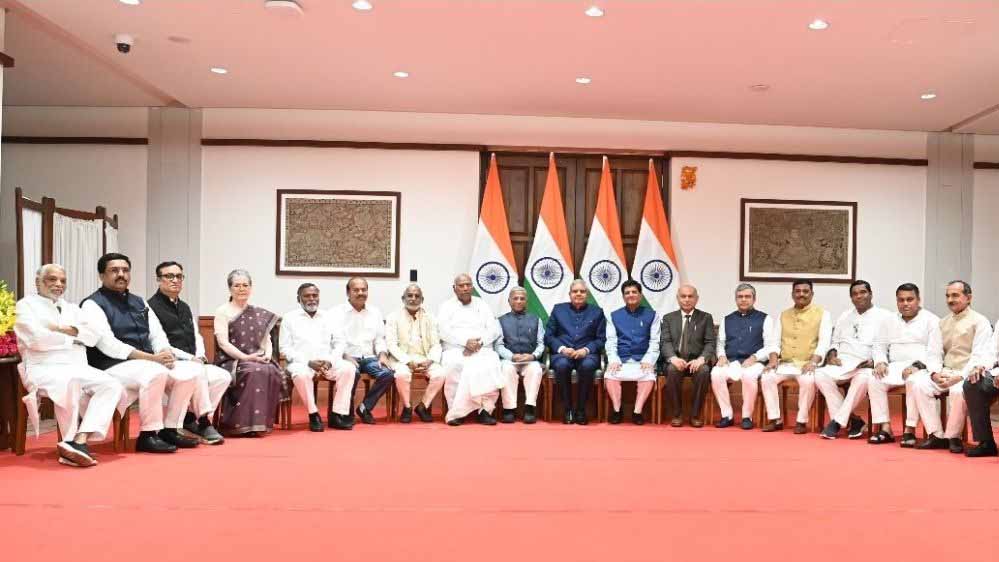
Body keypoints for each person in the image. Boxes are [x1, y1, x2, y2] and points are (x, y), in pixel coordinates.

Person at [81, 252, 197, 453]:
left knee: (188, 373)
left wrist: (164, 353)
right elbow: (108, 345)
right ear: (101, 275)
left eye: (125, 270)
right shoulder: (92, 304)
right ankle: (148, 434)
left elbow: (157, 334)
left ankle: (170, 429)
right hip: (110, 365)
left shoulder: (139, 302)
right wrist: (152, 359)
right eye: (114, 270)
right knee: (155, 372)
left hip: (145, 363)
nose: (121, 274)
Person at [14, 264, 124, 467]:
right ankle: (69, 444)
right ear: (38, 282)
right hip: (42, 367)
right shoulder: (25, 306)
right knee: (70, 382)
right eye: (52, 279)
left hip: (77, 365)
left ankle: (78, 440)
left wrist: (59, 330)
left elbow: (93, 336)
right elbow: (36, 340)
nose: (59, 284)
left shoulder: (72, 308)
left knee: (112, 384)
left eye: (63, 281)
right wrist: (73, 337)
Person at [147, 261, 229, 445]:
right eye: (169, 276)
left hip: (193, 361)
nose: (175, 280)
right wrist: (190, 358)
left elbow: (196, 335)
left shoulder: (185, 307)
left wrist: (199, 355)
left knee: (222, 376)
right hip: (171, 362)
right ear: (158, 279)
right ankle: (204, 422)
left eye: (179, 276)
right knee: (196, 371)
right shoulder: (150, 307)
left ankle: (190, 418)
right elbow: (160, 343)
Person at [910, 280, 992, 454]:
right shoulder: (942, 322)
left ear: (968, 298)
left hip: (967, 373)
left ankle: (953, 437)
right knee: (918, 384)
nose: (950, 300)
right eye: (947, 296)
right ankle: (936, 435)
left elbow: (979, 355)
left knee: (958, 391)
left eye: (955, 295)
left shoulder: (980, 321)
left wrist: (960, 376)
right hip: (945, 371)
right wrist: (934, 373)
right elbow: (933, 352)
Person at [817, 281, 893, 440]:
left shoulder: (885, 316)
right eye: (855, 294)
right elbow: (835, 341)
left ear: (871, 294)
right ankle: (853, 420)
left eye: (863, 292)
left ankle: (836, 423)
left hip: (866, 364)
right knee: (819, 375)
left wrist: (876, 361)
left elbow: (888, 346)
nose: (859, 296)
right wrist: (832, 355)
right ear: (851, 297)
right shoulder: (845, 316)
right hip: (843, 362)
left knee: (864, 378)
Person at [212, 269, 285, 436]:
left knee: (271, 370)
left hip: (256, 357)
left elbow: (267, 339)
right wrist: (245, 357)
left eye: (245, 285)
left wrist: (267, 355)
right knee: (253, 371)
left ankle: (259, 424)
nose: (241, 289)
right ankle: (237, 425)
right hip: (231, 360)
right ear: (230, 288)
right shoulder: (222, 311)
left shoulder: (257, 312)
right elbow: (223, 343)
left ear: (250, 288)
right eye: (237, 285)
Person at [866, 283, 939, 446]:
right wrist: (880, 362)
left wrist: (918, 366)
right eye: (901, 300)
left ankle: (909, 429)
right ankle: (885, 428)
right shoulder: (888, 320)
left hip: (920, 367)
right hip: (895, 365)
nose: (905, 303)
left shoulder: (932, 320)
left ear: (918, 300)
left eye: (910, 299)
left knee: (913, 380)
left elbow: (935, 351)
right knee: (874, 378)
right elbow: (879, 346)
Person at [279, 283, 355, 431]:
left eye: (315, 295)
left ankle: (337, 414)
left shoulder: (329, 317)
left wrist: (330, 361)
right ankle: (313, 414)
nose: (312, 299)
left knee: (348, 369)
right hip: (301, 362)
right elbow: (284, 348)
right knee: (300, 375)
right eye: (307, 296)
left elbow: (340, 342)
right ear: (299, 299)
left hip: (326, 362)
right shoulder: (289, 318)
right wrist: (308, 362)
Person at [760, 279, 832, 434]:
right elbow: (774, 342)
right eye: (797, 291)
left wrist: (813, 362)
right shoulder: (783, 315)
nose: (801, 294)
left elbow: (824, 343)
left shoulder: (823, 314)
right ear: (792, 294)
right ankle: (775, 419)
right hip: (785, 363)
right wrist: (773, 360)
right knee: (767, 377)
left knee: (808, 380)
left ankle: (801, 421)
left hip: (807, 363)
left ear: (812, 294)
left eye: (805, 291)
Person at [437, 273, 504, 426]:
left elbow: (493, 329)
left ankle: (485, 410)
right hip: (455, 348)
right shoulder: (446, 306)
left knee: (491, 362)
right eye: (461, 286)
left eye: (468, 285)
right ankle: (456, 412)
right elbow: (443, 331)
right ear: (454, 288)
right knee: (455, 364)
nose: (465, 288)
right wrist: (465, 343)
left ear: (472, 287)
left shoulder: (482, 304)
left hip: (481, 347)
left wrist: (479, 343)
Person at [329, 277, 395, 425]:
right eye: (356, 290)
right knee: (352, 373)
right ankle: (346, 412)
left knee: (388, 374)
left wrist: (382, 355)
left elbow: (379, 338)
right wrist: (344, 355)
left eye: (363, 290)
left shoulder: (375, 312)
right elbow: (332, 339)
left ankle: (365, 407)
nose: (360, 293)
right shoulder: (336, 313)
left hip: (369, 357)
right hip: (347, 357)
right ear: (348, 292)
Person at [710, 283, 775, 430]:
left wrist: (755, 357)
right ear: (736, 299)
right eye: (740, 297)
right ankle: (727, 415)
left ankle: (747, 416)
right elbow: (720, 343)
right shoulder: (727, 319)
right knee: (716, 374)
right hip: (731, 361)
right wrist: (721, 356)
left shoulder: (765, 319)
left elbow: (769, 346)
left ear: (754, 299)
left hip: (754, 362)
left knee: (749, 376)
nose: (743, 299)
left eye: (747, 296)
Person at [545, 279, 605, 425]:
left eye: (582, 291)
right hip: (562, 354)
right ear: (570, 294)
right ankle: (567, 410)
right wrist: (562, 349)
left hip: (587, 354)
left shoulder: (597, 312)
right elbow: (549, 336)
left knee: (587, 366)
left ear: (587, 294)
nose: (578, 294)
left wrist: (586, 350)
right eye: (575, 291)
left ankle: (581, 410)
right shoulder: (558, 310)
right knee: (562, 365)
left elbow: (601, 339)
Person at [385, 283, 446, 423]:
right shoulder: (393, 317)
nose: (413, 299)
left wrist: (430, 360)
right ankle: (407, 407)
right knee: (402, 374)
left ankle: (423, 406)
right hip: (401, 359)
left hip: (424, 358)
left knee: (440, 374)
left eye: (417, 296)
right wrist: (407, 361)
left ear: (422, 299)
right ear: (403, 298)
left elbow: (436, 343)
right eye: (410, 295)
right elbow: (391, 344)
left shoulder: (430, 318)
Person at [605, 280, 661, 425]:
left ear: (640, 295)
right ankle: (617, 410)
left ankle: (637, 411)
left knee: (648, 375)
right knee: (610, 375)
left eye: (634, 292)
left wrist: (648, 359)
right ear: (623, 296)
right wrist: (613, 359)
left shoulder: (652, 315)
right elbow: (611, 341)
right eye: (627, 293)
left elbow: (655, 341)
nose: (631, 295)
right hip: (621, 359)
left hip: (642, 359)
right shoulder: (614, 315)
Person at [661, 284, 716, 427]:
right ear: (678, 298)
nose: (686, 299)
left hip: (696, 361)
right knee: (672, 370)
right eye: (683, 296)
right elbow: (665, 342)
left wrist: (701, 359)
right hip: (676, 360)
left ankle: (695, 415)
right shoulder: (668, 318)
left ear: (696, 299)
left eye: (690, 296)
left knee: (703, 371)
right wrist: (673, 358)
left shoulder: (705, 318)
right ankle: (677, 414)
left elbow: (710, 343)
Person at [495, 287, 545, 424]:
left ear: (526, 301)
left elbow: (541, 343)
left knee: (535, 369)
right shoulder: (500, 320)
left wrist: (533, 356)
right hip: (510, 359)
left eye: (522, 298)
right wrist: (511, 356)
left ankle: (529, 408)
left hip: (529, 359)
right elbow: (498, 345)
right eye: (515, 298)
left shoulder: (536, 319)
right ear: (509, 301)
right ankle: (509, 409)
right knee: (506, 369)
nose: (518, 301)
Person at [963, 315, 999, 457]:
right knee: (973, 383)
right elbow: (992, 351)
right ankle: (986, 442)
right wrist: (980, 366)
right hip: (996, 372)